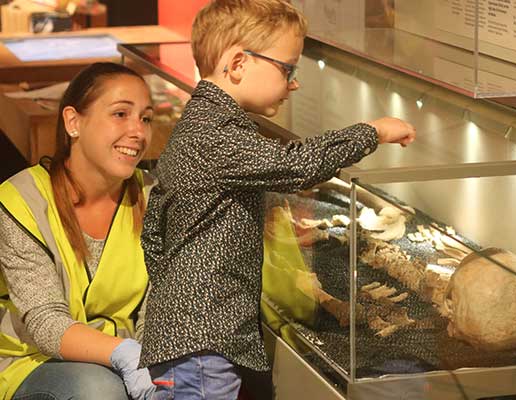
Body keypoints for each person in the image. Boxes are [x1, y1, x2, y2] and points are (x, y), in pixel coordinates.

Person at [139, 0, 416, 398]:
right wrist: (373, 131)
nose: (294, 83)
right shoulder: (216, 135)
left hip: (188, 335)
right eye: (287, 69)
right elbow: (298, 165)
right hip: (202, 341)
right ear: (237, 64)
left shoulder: (202, 124)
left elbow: (154, 234)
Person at [0, 62, 157, 400]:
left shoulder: (153, 197)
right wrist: (125, 355)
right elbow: (44, 321)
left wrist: (151, 365)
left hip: (127, 360)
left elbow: (154, 308)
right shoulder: (19, 200)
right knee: (98, 390)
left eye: (145, 118)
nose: (138, 132)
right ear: (73, 122)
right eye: (120, 114)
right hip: (34, 363)